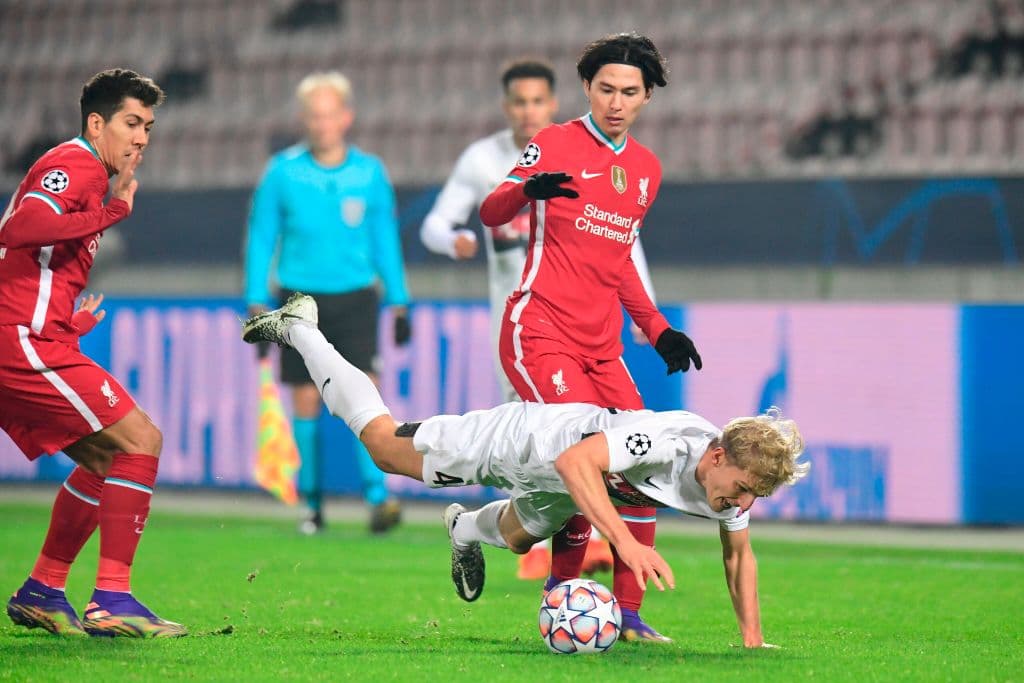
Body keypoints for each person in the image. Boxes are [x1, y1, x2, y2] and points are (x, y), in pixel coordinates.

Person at [241, 294, 808, 648]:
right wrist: (625, 546)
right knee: (387, 448)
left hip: (569, 487)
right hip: (529, 443)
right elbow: (575, 461)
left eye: (751, 496)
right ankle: (301, 328)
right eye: (738, 489)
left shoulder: (738, 485)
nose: (738, 503)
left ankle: (462, 528)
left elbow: (739, 557)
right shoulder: (666, 439)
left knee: (514, 538)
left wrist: (753, 644)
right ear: (715, 457)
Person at [478, 33, 703, 641]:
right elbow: (491, 210)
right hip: (540, 328)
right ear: (587, 88)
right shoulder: (551, 142)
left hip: (602, 344)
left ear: (647, 96)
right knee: (579, 453)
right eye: (606, 89)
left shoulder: (646, 170)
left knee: (645, 457)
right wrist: (528, 189)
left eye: (629, 92)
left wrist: (658, 331)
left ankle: (628, 615)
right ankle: (561, 597)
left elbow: (620, 259)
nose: (616, 102)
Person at [421, 58, 663, 581]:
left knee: (601, 449)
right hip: (527, 321)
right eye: (519, 102)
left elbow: (620, 247)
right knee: (551, 448)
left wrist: (652, 318)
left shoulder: (635, 167)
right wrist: (455, 238)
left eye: (537, 101)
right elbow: (449, 220)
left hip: (592, 329)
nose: (529, 110)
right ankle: (553, 557)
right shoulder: (493, 156)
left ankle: (513, 538)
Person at [0, 68, 185, 637]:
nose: (141, 139)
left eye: (148, 127)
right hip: (22, 341)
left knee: (107, 461)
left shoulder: (88, 171)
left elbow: (35, 255)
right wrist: (111, 213)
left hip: (36, 334)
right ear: (96, 123)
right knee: (142, 440)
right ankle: (112, 600)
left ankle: (44, 590)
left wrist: (66, 318)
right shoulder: (75, 163)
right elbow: (21, 228)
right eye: (132, 123)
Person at [244, 71, 411, 535]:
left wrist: (400, 300)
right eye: (314, 116)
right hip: (299, 298)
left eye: (329, 115)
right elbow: (261, 236)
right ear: (306, 120)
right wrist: (256, 298)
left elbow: (384, 239)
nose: (322, 124)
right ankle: (312, 505)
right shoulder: (282, 171)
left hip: (357, 296)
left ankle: (378, 498)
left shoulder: (369, 173)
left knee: (367, 394)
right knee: (304, 398)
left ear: (346, 117)